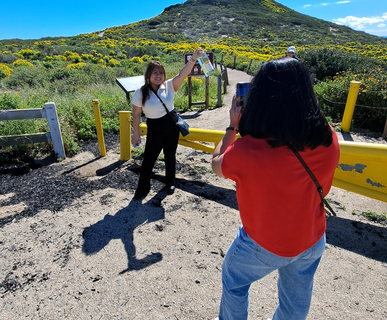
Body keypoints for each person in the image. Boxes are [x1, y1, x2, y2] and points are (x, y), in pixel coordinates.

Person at [211, 57, 340, 320]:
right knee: (295, 301)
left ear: (261, 99)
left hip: (263, 244)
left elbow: (216, 164)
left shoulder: (248, 150)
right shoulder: (328, 136)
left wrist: (233, 126)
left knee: (234, 281)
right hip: (312, 238)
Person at [132, 49, 201, 200]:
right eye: (155, 72)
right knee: (149, 159)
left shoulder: (169, 86)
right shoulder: (140, 92)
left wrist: (193, 60)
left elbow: (182, 74)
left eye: (161, 72)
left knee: (170, 156)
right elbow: (136, 114)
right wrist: (135, 133)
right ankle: (143, 188)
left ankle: (170, 182)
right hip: (154, 129)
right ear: (148, 75)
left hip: (171, 127)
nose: (158, 75)